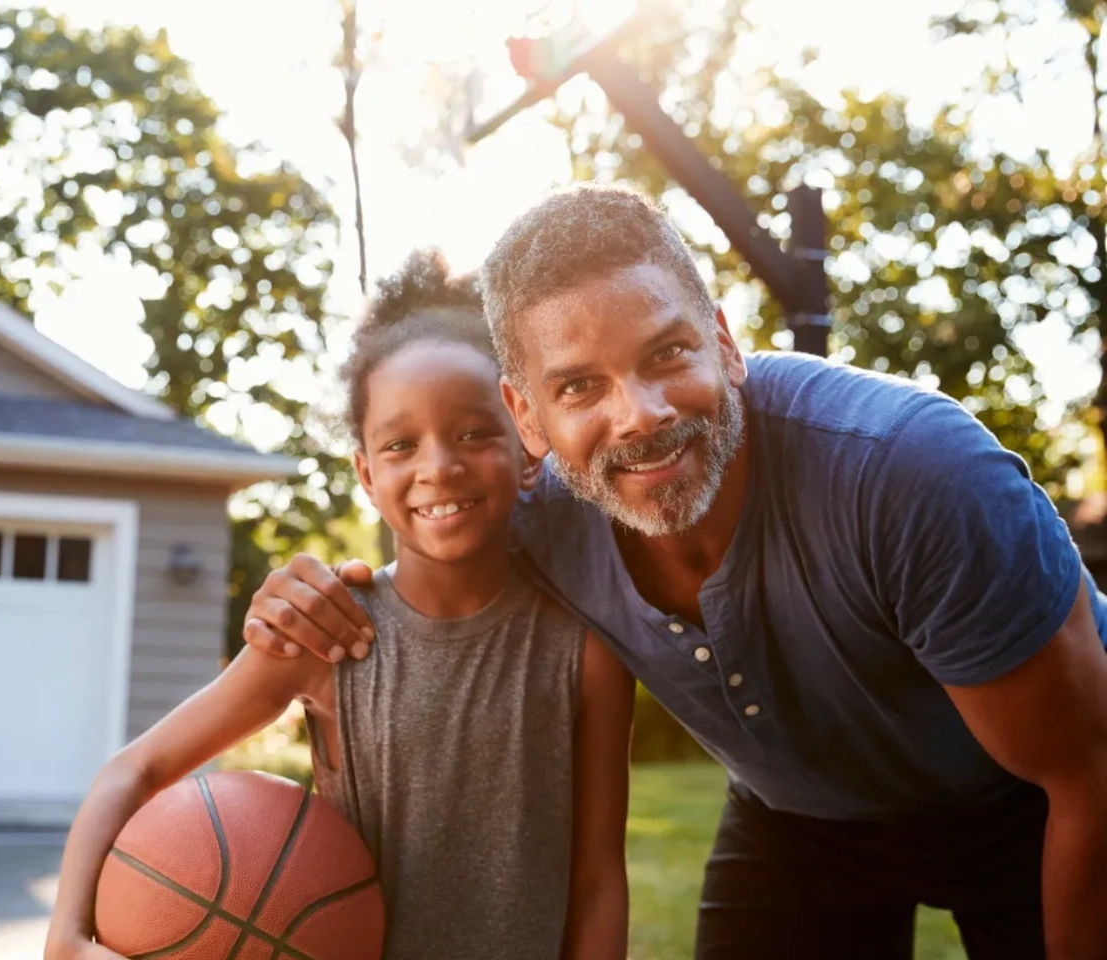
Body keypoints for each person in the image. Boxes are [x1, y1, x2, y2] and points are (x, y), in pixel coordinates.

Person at [242, 185, 1107, 960]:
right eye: (579, 387)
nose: (640, 416)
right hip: (802, 818)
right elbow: (412, 579)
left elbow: (1087, 772)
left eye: (666, 355)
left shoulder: (911, 476)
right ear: (525, 416)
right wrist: (305, 597)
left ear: (725, 344)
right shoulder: (526, 514)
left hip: (1028, 803)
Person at [43, 250, 635, 960]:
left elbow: (599, 879)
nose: (438, 465)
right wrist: (68, 940)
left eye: (475, 432)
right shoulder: (328, 632)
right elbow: (131, 774)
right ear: (365, 472)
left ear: (528, 440)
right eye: (400, 444)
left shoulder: (586, 651)